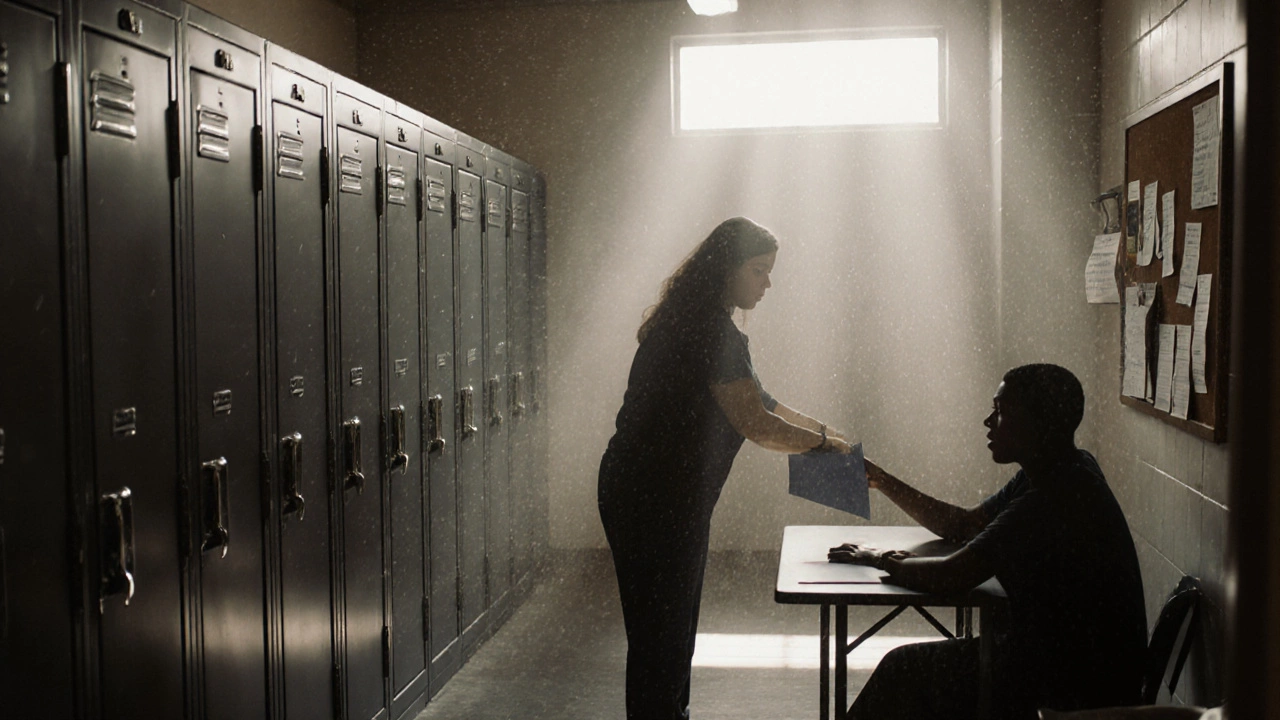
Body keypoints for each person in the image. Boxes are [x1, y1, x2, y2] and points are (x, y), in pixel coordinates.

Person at [598, 217, 853, 720]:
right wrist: (825, 445)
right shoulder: (708, 332)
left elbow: (764, 402)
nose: (767, 283)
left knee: (664, 633)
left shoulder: (696, 322)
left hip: (653, 493)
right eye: (758, 270)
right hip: (654, 499)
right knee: (662, 636)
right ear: (725, 269)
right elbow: (756, 423)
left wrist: (827, 435)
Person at [829, 363, 1147, 720]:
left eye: (1001, 412)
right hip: (1076, 666)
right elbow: (964, 524)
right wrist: (882, 480)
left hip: (1073, 686)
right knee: (915, 670)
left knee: (902, 668)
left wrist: (879, 558)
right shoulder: (1061, 469)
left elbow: (950, 575)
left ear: (1040, 424)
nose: (988, 421)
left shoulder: (1055, 497)